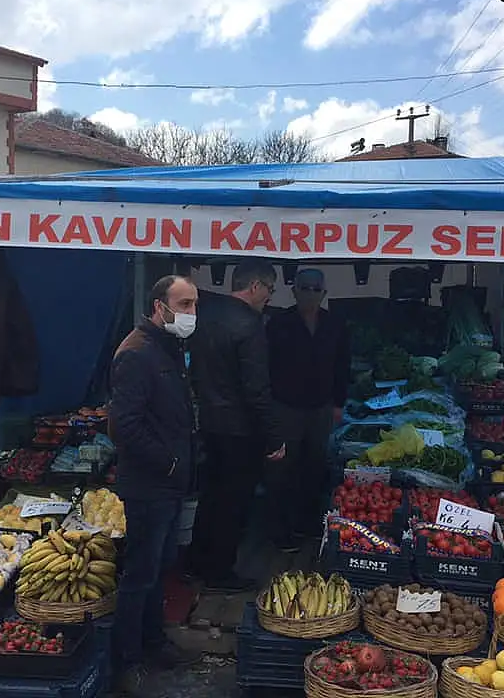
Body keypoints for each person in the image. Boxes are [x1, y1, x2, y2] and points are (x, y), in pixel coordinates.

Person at [108, 275, 201, 696]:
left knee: (160, 567)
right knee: (140, 574)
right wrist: (168, 462)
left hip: (170, 483)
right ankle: (127, 661)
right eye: (184, 304)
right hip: (149, 484)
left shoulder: (167, 347)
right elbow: (124, 426)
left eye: (194, 304)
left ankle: (154, 641)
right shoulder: (136, 353)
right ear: (159, 307)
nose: (191, 313)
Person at [188, 258, 285, 593]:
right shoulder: (250, 325)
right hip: (240, 430)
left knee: (211, 496)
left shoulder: (207, 315)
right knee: (233, 504)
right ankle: (220, 572)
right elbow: (257, 390)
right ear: (255, 286)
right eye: (270, 288)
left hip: (210, 421)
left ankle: (197, 562)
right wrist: (274, 437)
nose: (270, 296)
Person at [266, 268, 350, 551]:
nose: (310, 293)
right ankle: (278, 530)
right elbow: (265, 364)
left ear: (324, 293)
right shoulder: (278, 323)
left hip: (321, 408)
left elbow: (343, 365)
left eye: (316, 289)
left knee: (315, 467)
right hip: (285, 407)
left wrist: (338, 403)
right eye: (304, 288)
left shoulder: (335, 324)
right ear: (294, 290)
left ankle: (308, 523)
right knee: (281, 470)